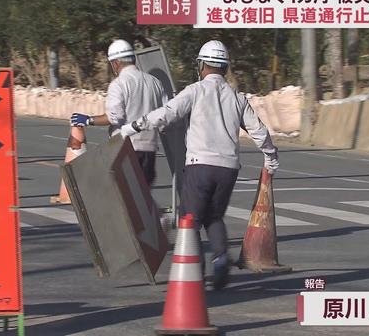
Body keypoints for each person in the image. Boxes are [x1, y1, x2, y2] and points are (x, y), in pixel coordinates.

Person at [120, 40, 279, 290]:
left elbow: (166, 113)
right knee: (214, 217)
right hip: (228, 168)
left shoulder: (194, 91)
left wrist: (134, 126)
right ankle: (221, 257)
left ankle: (194, 270)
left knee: (190, 218)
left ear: (202, 65)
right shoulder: (238, 98)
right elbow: (258, 130)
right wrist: (270, 157)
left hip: (199, 166)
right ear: (225, 68)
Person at [70, 39, 166, 186]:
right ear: (133, 59)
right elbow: (165, 113)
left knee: (123, 198)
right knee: (142, 199)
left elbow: (114, 117)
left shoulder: (119, 84)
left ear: (115, 63)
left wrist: (88, 120)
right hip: (149, 150)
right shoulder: (155, 82)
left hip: (125, 149)